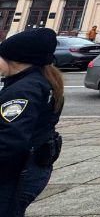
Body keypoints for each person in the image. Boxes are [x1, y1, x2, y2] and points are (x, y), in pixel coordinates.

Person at [0, 27, 64, 217]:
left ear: (16, 59)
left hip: (18, 172)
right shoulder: (44, 81)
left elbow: (10, 140)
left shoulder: (24, 90)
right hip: (33, 166)